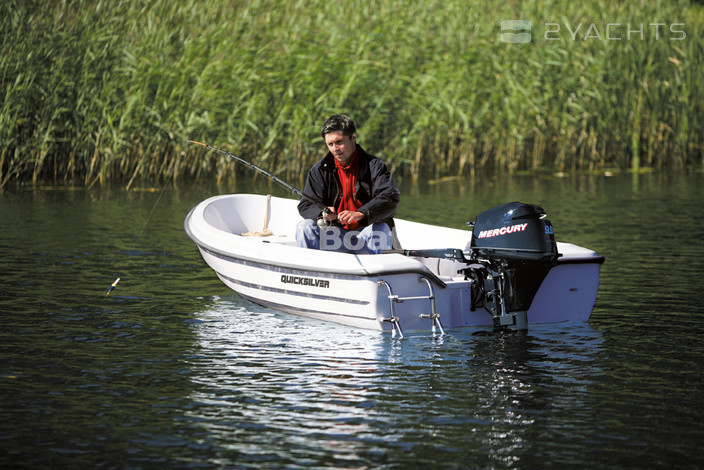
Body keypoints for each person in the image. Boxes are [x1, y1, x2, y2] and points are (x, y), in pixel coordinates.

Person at [296, 114, 400, 254]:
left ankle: (377, 267)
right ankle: (311, 267)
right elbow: (305, 205)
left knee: (380, 228)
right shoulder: (319, 170)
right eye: (330, 144)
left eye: (339, 142)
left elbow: (390, 197)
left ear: (353, 137)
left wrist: (361, 213)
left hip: (366, 236)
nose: (335, 149)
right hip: (334, 237)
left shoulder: (375, 166)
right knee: (304, 227)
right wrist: (322, 213)